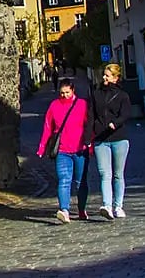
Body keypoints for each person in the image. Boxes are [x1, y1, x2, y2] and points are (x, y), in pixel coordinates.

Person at [36, 78, 93, 223]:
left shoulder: (82, 105)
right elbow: (48, 127)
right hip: (62, 150)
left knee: (81, 182)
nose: (64, 95)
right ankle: (64, 210)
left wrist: (90, 144)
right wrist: (42, 146)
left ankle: (81, 209)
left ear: (73, 91)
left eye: (67, 92)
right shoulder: (54, 106)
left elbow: (89, 126)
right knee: (64, 180)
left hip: (80, 149)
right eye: (62, 93)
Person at [89, 63, 132, 220]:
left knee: (118, 174)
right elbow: (91, 115)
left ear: (115, 77)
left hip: (119, 138)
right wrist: (89, 136)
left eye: (107, 75)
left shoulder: (122, 95)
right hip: (101, 139)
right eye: (104, 75)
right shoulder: (96, 94)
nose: (104, 78)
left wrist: (116, 122)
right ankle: (107, 205)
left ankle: (118, 206)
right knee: (104, 173)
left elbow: (126, 113)